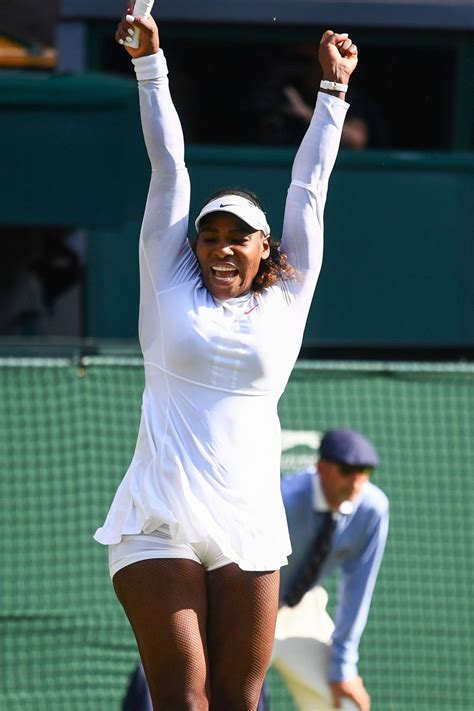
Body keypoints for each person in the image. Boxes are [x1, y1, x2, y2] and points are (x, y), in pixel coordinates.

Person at [94, 7, 358, 709]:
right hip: (159, 523)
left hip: (250, 527)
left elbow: (310, 188)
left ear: (266, 248)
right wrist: (150, 66)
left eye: (237, 236)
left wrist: (332, 94)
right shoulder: (168, 281)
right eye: (208, 236)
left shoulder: (286, 299)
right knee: (184, 697)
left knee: (241, 702)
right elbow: (168, 165)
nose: (219, 247)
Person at [123, 429, 389, 711]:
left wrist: (343, 668)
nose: (357, 481)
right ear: (322, 468)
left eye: (365, 471)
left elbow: (358, 589)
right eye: (347, 470)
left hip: (300, 607)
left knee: (347, 704)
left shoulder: (373, 509)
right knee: (192, 690)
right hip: (246, 605)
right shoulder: (283, 500)